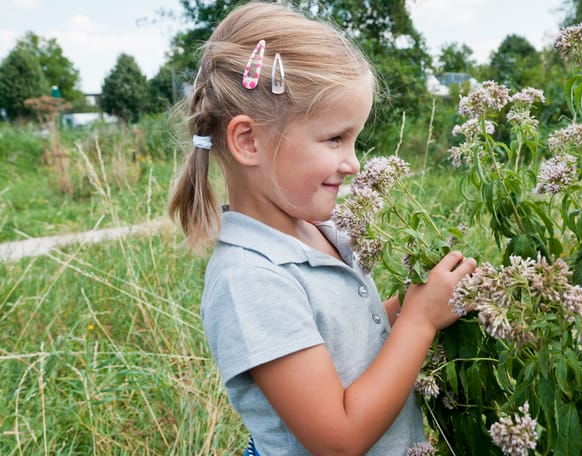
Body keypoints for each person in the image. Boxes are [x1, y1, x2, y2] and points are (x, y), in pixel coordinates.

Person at [168, 2, 477, 454]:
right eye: (334, 138)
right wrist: (419, 321)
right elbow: (338, 437)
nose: (353, 163)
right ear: (249, 141)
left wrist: (413, 301)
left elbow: (348, 337)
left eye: (354, 139)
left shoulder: (319, 232)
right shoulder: (251, 280)